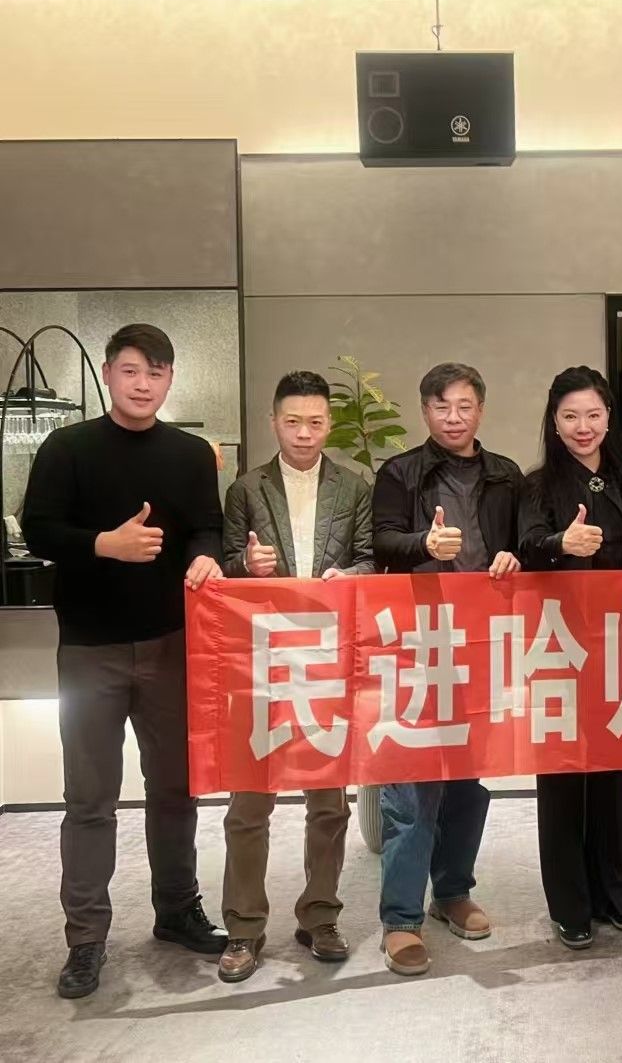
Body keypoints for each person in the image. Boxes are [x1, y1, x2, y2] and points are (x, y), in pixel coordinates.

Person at [21, 323, 226, 999]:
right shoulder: (67, 447)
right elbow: (38, 527)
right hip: (90, 647)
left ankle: (178, 910)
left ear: (170, 380)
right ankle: (86, 938)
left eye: (156, 372)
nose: (143, 384)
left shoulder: (191, 453)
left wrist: (205, 556)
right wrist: (103, 544)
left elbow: (207, 525)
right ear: (109, 373)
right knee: (89, 799)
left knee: (175, 789)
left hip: (171, 644)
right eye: (131, 370)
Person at [215, 371, 375, 982]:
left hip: (327, 657)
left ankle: (320, 916)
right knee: (248, 804)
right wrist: (245, 563)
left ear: (328, 424)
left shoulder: (353, 486)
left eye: (314, 422)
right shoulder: (245, 489)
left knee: (329, 802)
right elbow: (224, 567)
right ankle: (243, 927)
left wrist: (351, 576)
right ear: (273, 422)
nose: (304, 433)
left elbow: (369, 559)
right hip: (262, 657)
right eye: (292, 422)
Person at [371, 362, 523, 976]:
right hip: (419, 642)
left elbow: (524, 542)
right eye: (441, 407)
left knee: (468, 777)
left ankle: (453, 892)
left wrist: (515, 556)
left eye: (464, 406)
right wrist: (423, 545)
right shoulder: (399, 472)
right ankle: (400, 919)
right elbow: (381, 541)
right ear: (425, 411)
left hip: (484, 641)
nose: (453, 418)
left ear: (480, 410)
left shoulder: (506, 474)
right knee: (411, 784)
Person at [518, 367, 622, 950]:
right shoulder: (537, 484)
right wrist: (562, 544)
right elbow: (526, 546)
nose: (584, 427)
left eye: (594, 415)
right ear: (554, 423)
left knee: (609, 770)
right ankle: (569, 902)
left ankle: (612, 892)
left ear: (609, 418)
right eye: (571, 416)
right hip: (558, 645)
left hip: (618, 643)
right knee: (561, 775)